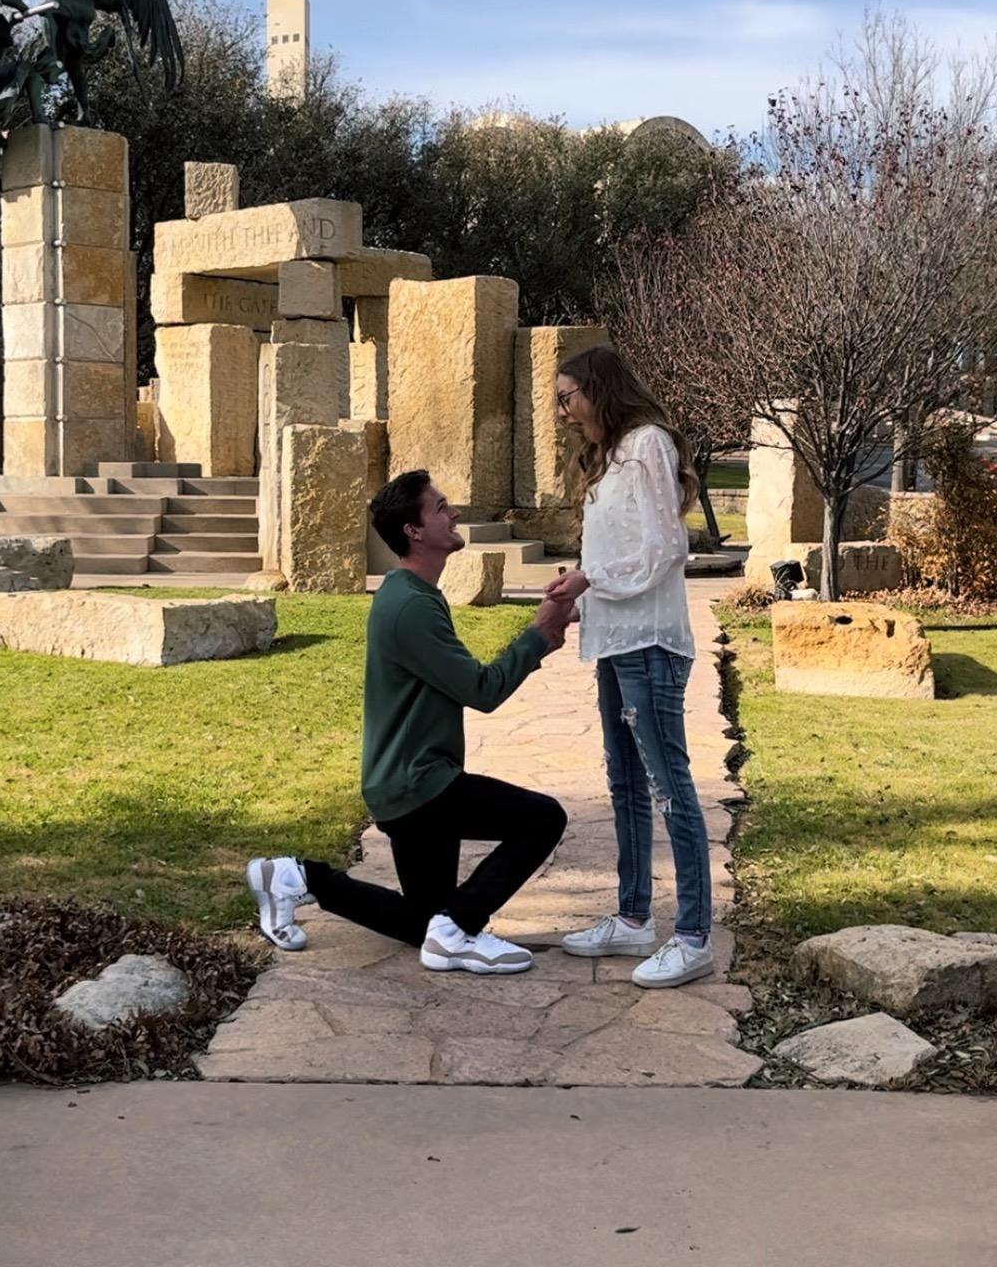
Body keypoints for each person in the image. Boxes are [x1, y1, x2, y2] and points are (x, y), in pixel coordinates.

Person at [247, 471, 571, 975]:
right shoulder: (409, 608)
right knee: (543, 818)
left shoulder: (411, 595)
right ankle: (461, 928)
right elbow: (482, 691)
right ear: (414, 531)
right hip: (420, 786)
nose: (454, 513)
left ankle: (296, 876)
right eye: (441, 507)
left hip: (403, 785)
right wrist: (539, 635)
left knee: (425, 922)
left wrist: (541, 635)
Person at [544, 344, 714, 989]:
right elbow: (619, 553)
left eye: (568, 397)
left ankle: (693, 934)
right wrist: (581, 588)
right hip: (614, 641)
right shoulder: (609, 457)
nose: (562, 412)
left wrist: (591, 577)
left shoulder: (648, 444)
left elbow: (665, 549)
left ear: (599, 389)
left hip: (650, 644)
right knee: (624, 783)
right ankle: (634, 916)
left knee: (670, 785)